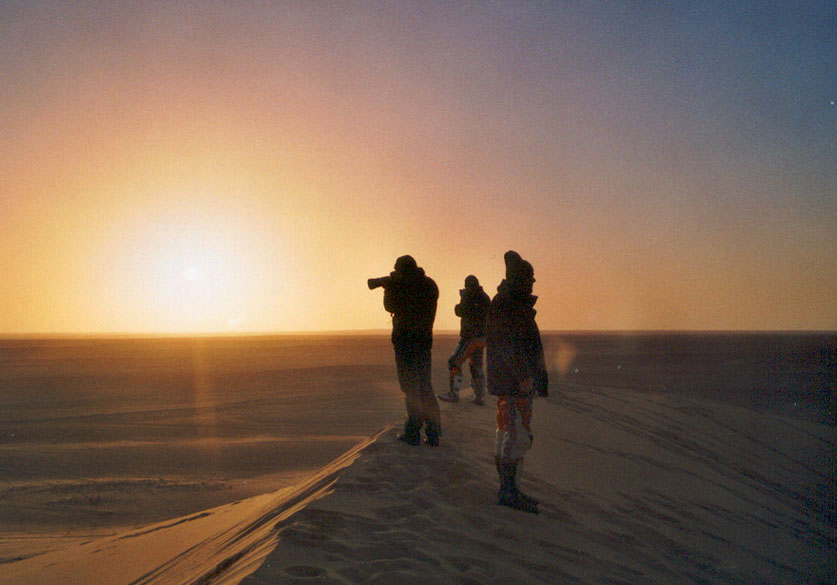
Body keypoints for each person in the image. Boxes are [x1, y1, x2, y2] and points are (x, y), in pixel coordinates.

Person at [486, 250, 549, 514]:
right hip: (513, 383)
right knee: (517, 434)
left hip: (510, 381)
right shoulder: (507, 303)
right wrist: (523, 375)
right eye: (529, 279)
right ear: (520, 279)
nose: (533, 283)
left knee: (509, 432)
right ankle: (509, 492)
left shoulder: (509, 301)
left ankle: (510, 489)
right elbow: (508, 345)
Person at [370, 255, 441, 446]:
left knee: (410, 388)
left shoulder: (405, 287)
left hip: (405, 343)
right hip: (424, 342)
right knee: (425, 386)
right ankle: (433, 432)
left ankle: (412, 433)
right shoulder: (429, 284)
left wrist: (389, 288)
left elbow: (390, 306)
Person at [438, 275, 490, 405]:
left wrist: (463, 299)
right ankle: (479, 396)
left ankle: (454, 394)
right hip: (481, 338)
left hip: (470, 337)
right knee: (476, 365)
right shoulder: (484, 297)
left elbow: (461, 311)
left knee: (454, 362)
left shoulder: (472, 297)